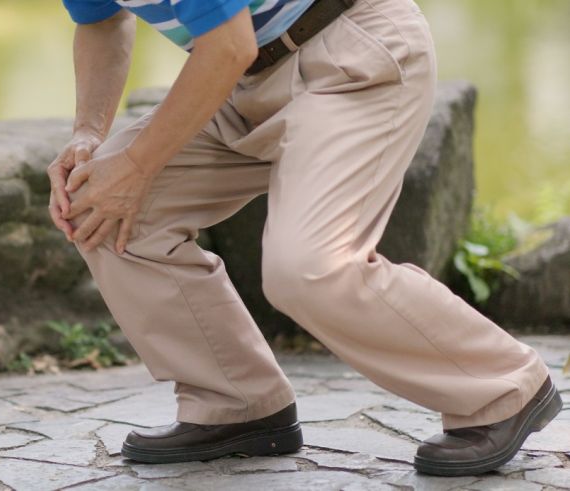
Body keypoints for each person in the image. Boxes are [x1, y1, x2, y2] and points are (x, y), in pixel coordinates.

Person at [45, 0, 562, 476]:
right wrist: (89, 136)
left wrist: (135, 167)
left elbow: (228, 43)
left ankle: (505, 387)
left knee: (312, 268)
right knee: (98, 211)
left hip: (349, 54)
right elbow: (102, 20)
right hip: (238, 79)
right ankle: (237, 403)